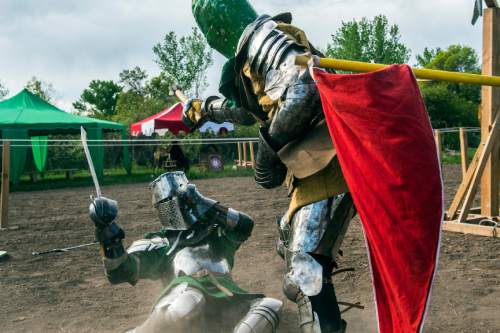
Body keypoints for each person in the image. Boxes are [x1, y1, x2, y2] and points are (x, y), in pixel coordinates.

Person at [183, 1, 357, 332]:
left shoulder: (263, 38)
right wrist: (205, 108)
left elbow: (305, 87)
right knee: (290, 248)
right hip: (320, 163)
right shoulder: (252, 55)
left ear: (217, 23)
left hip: (331, 159)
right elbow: (254, 109)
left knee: (304, 272)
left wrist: (270, 144)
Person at [88, 171, 282, 333]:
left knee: (270, 306)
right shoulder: (160, 242)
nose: (179, 208)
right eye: (172, 204)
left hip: (226, 298)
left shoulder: (215, 232)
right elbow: (120, 272)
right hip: (182, 299)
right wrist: (107, 232)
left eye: (184, 201)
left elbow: (245, 226)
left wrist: (205, 204)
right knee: (191, 299)